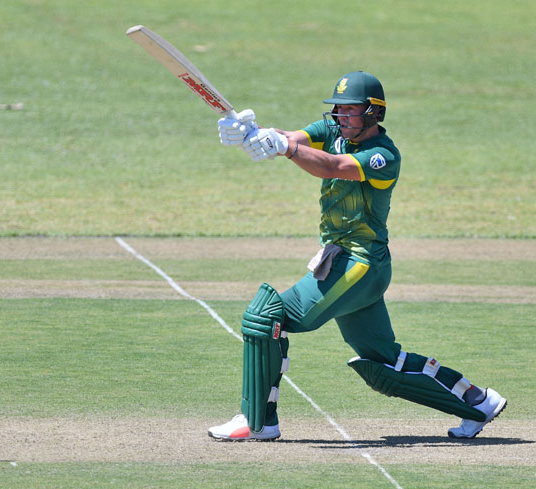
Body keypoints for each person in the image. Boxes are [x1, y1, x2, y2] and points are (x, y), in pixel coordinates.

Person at [208, 71, 506, 441]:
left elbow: (333, 166)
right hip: (350, 263)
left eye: (350, 111)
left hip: (358, 265)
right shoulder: (333, 131)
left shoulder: (383, 156)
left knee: (266, 317)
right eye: (338, 110)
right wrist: (251, 133)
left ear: (373, 114)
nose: (341, 118)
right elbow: (293, 139)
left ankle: (257, 421)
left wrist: (283, 148)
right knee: (383, 363)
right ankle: (477, 402)